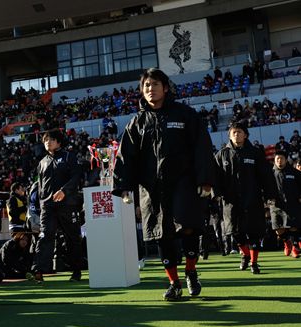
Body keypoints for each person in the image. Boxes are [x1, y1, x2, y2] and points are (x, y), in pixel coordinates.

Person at [112, 68, 216, 301]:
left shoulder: (185, 115)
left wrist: (205, 179)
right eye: (146, 85)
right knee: (161, 234)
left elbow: (202, 147)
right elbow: (125, 156)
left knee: (187, 226)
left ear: (166, 88)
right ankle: (174, 282)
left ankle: (191, 270)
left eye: (155, 84)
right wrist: (125, 186)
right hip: (152, 188)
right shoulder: (137, 122)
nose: (150, 89)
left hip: (184, 182)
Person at [214, 122, 277, 274]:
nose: (236, 134)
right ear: (229, 135)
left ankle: (254, 263)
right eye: (233, 132)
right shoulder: (221, 154)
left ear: (246, 134)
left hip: (252, 198)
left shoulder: (255, 153)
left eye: (239, 132)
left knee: (254, 232)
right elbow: (215, 176)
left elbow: (266, 176)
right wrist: (216, 194)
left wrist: (270, 195)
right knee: (235, 232)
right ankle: (245, 255)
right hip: (231, 200)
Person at [30, 129, 83, 283]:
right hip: (47, 206)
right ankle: (38, 271)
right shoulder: (42, 162)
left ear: (59, 141)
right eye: (46, 140)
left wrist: (64, 191)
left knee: (72, 238)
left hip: (67, 204)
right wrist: (41, 203)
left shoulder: (69, 157)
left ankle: (76, 271)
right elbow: (39, 186)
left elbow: (76, 177)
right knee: (45, 236)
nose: (48, 142)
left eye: (51, 140)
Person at [270, 150, 301, 258]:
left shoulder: (294, 172)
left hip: (292, 204)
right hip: (276, 206)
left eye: (281, 158)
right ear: (274, 160)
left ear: (286, 159)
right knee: (278, 229)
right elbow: (264, 189)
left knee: (293, 226)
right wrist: (268, 202)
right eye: (277, 158)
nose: (279, 161)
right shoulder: (270, 174)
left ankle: (295, 247)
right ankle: (287, 242)